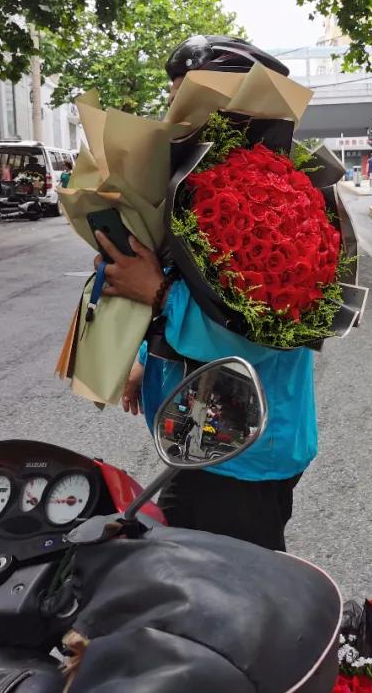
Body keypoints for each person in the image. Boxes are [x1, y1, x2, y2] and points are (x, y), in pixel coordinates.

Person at [103, 34, 314, 552]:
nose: (177, 117)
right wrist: (146, 359)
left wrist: (156, 295)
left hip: (245, 452)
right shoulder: (200, 186)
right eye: (174, 101)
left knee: (235, 588)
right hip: (203, 434)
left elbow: (260, 333)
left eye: (191, 102)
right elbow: (188, 284)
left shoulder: (275, 203)